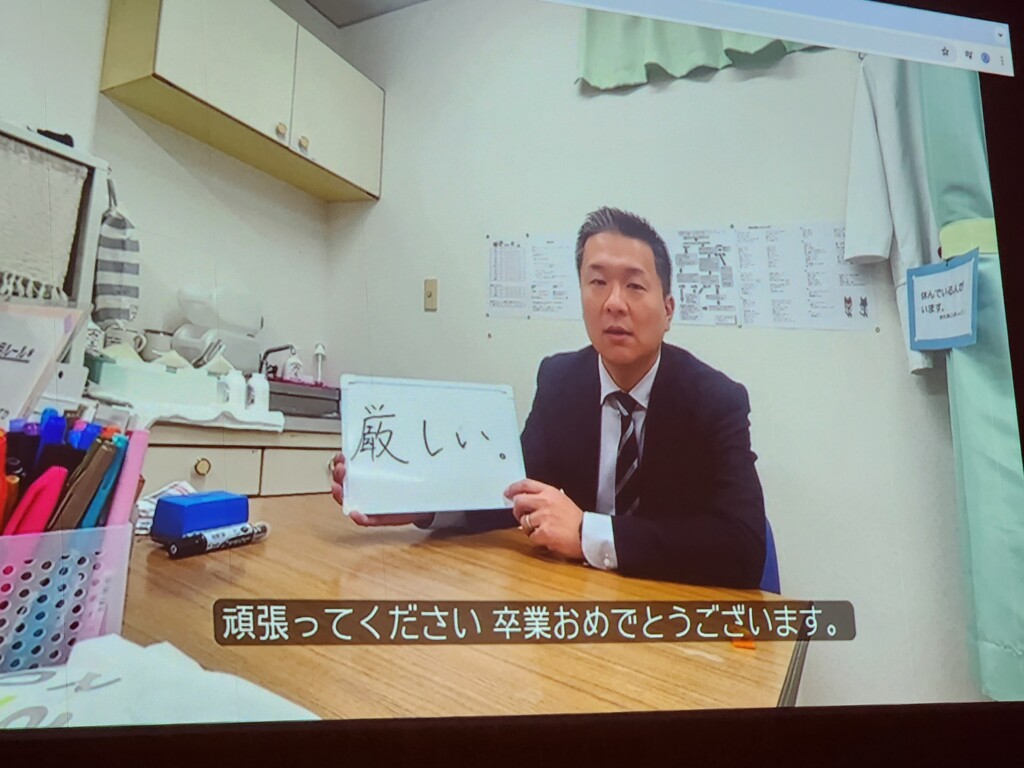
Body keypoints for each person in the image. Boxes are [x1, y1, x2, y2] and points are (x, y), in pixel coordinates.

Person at [332, 207, 767, 588]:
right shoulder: (560, 380)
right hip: (573, 601)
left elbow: (744, 549)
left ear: (668, 309)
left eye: (635, 286)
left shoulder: (715, 400)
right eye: (597, 282)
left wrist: (586, 534)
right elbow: (510, 491)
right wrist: (414, 503)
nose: (614, 303)